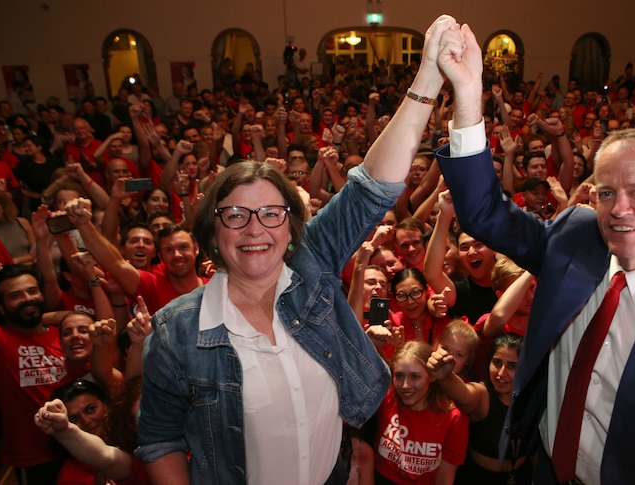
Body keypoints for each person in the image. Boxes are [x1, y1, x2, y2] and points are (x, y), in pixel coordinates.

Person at [434, 21, 635, 484]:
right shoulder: (575, 236)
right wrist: (469, 97)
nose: (619, 209)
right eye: (606, 192)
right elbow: (484, 212)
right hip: (542, 468)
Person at [134, 16, 458, 484]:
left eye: (271, 212)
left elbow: (373, 187)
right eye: (235, 215)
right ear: (213, 234)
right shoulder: (176, 332)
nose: (254, 229)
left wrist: (428, 76)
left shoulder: (312, 264)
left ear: (291, 226)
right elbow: (160, 438)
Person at [0, 265, 69, 484]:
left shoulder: (66, 335)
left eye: (32, 291)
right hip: (35, 458)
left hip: (82, 446)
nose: (27, 299)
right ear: (1, 308)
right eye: (16, 296)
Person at [428, 332, 532, 484]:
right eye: (497, 363)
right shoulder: (482, 394)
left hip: (522, 477)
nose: (501, 373)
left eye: (512, 366)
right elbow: (464, 394)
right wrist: (445, 376)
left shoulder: (530, 396)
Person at [372, 341, 468, 484]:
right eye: (399, 376)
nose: (405, 385)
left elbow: (444, 479)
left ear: (432, 376)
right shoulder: (387, 398)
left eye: (415, 377)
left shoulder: (453, 418)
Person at [33, 379, 151, 485]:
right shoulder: (71, 476)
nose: (86, 422)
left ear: (107, 405)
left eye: (90, 409)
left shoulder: (142, 449)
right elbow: (106, 456)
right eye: (74, 418)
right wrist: (64, 431)